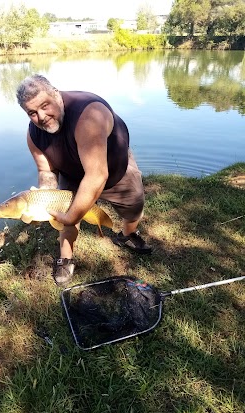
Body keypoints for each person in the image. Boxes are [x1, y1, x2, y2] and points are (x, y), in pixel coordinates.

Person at [16, 74, 152, 285]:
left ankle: (127, 235)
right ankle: (65, 258)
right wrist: (45, 199)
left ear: (56, 94)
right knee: (66, 217)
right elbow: (46, 172)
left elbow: (97, 175)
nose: (41, 116)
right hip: (72, 173)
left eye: (45, 105)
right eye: (32, 113)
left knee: (134, 206)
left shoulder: (88, 115)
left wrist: (73, 214)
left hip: (114, 168)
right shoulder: (34, 135)